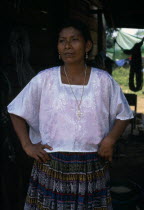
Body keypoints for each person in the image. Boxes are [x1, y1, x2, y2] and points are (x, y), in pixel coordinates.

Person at [7, 19, 133, 210]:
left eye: (74, 40)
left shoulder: (103, 81)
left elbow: (124, 114)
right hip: (51, 166)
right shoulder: (45, 79)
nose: (67, 46)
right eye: (62, 41)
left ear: (87, 45)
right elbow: (16, 110)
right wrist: (27, 145)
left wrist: (110, 140)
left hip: (92, 166)